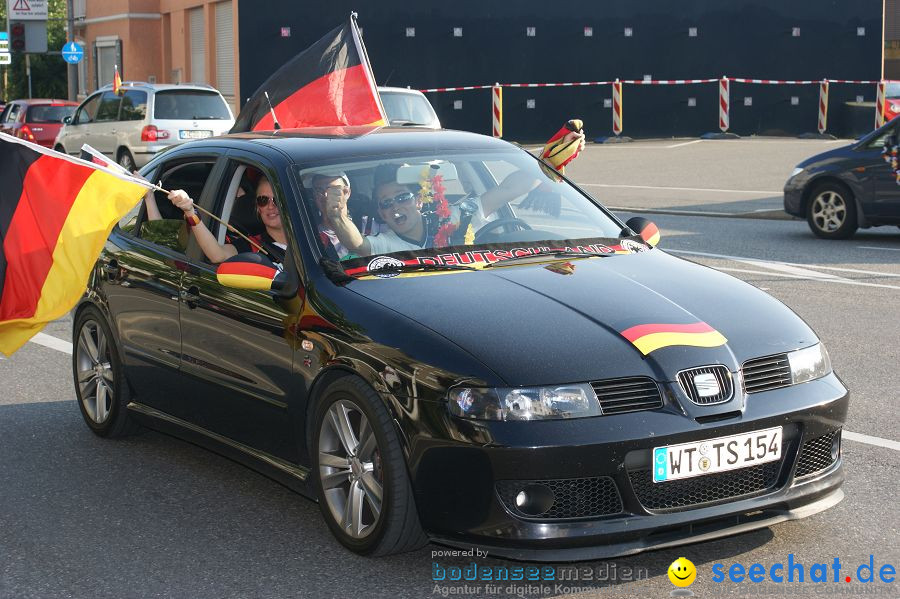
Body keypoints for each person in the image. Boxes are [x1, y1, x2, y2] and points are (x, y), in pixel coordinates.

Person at [326, 130, 586, 256]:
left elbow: (509, 189)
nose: (395, 206)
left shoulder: (454, 217)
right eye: (386, 203)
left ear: (418, 200)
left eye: (402, 197)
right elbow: (357, 244)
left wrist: (547, 162)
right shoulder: (388, 242)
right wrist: (338, 216)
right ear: (381, 212)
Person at [169, 175, 287, 264]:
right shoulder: (252, 245)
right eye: (263, 200)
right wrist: (190, 212)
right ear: (257, 208)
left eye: (277, 200)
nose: (270, 206)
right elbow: (218, 255)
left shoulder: (305, 239)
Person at [311, 172, 382, 259]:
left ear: (346, 192)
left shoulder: (372, 224)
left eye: (332, 191)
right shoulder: (309, 235)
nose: (326, 196)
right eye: (319, 191)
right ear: (314, 196)